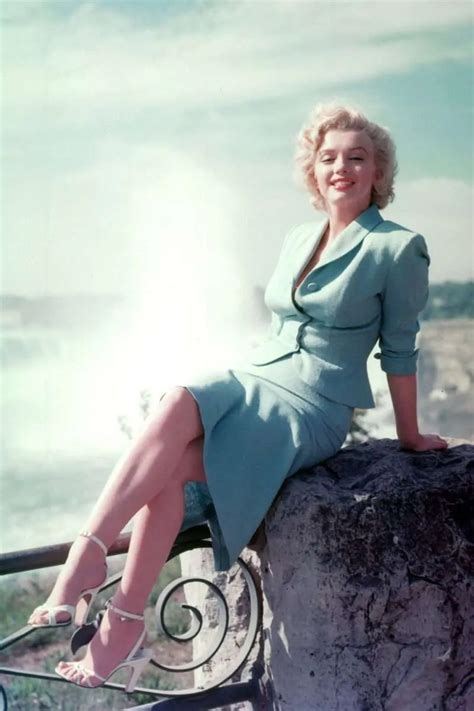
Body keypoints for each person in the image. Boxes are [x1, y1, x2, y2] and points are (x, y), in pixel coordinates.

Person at [27, 102, 448, 690]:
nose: (341, 168)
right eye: (329, 157)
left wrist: (410, 435)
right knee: (176, 413)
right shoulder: (299, 237)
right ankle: (115, 603)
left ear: (378, 171)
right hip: (257, 374)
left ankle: (98, 587)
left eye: (357, 158)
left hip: (313, 405)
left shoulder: (398, 248)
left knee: (174, 445)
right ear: (313, 169)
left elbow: (399, 349)